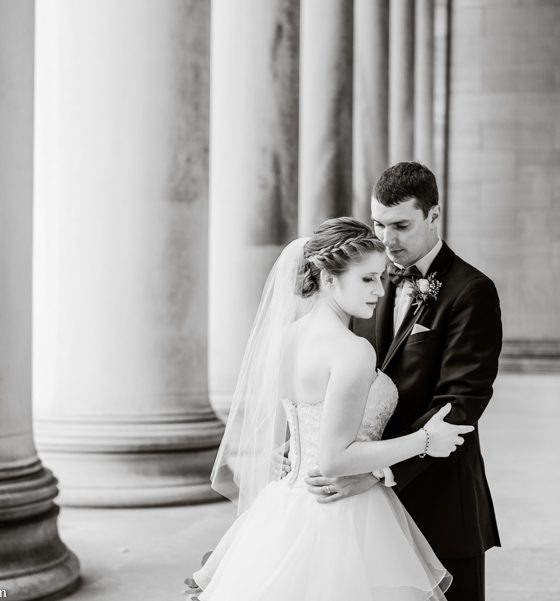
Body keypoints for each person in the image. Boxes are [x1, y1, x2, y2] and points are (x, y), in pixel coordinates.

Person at [188, 217, 474, 600]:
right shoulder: (352, 350)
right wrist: (424, 440)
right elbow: (335, 458)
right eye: (367, 279)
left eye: (380, 278)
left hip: (286, 504)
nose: (379, 290)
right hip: (342, 511)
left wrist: (293, 448)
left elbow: (309, 418)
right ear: (328, 278)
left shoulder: (288, 337)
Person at [305, 162, 503, 601]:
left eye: (401, 226)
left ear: (434, 216)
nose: (386, 239)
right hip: (362, 507)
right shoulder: (367, 282)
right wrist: (307, 441)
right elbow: (337, 375)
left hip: (438, 497)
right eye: (378, 224)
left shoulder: (472, 291)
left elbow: (460, 404)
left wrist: (378, 472)